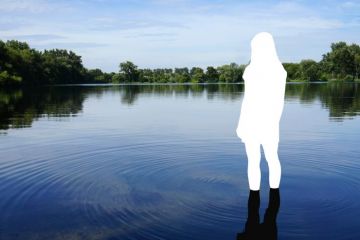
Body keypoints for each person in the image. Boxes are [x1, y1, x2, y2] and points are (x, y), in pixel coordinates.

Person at [236, 32, 287, 191]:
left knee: (254, 160)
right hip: (269, 122)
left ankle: (254, 196)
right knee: (272, 158)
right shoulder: (279, 70)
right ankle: (274, 196)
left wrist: (241, 125)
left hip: (255, 121)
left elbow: (249, 101)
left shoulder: (251, 71)